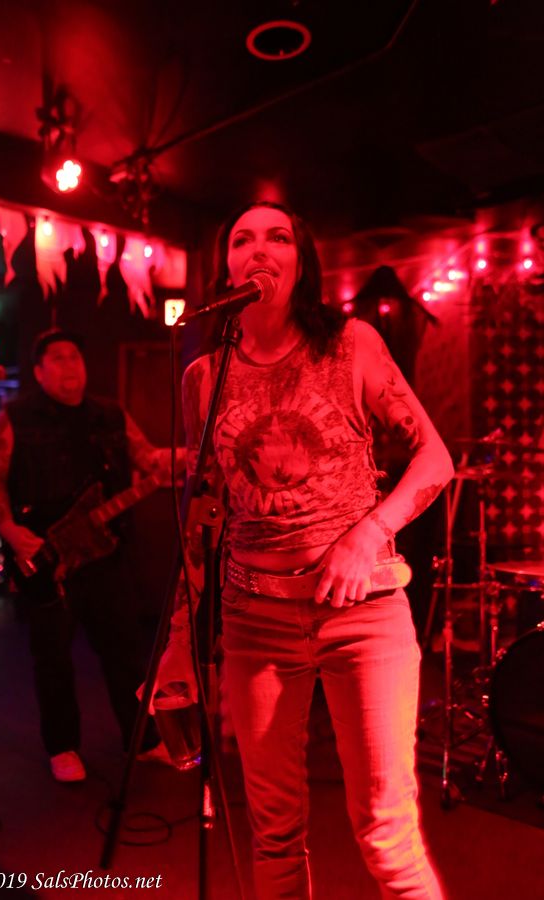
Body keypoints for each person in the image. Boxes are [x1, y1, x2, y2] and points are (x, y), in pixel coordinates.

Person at [157, 202, 454, 898]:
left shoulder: (351, 345)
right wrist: (178, 642)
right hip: (254, 618)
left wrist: (366, 536)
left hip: (363, 612)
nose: (259, 249)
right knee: (274, 834)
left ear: (301, 262)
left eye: (278, 237)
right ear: (227, 266)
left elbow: (435, 460)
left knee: (386, 832)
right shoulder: (204, 376)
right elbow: (203, 517)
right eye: (242, 239)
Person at [0, 328, 185, 783]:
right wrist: (11, 531)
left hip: (106, 554)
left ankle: (144, 740)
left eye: (75, 355)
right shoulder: (16, 418)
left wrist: (189, 455)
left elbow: (149, 459)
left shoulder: (110, 415)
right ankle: (62, 747)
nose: (69, 364)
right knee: (52, 658)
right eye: (57, 357)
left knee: (127, 653)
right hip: (45, 556)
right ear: (38, 371)